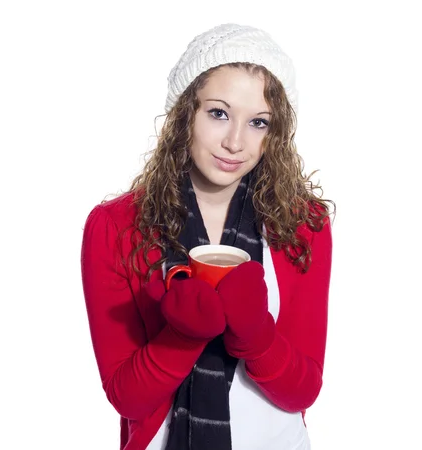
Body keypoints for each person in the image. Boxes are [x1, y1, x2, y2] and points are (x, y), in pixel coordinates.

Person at [81, 23, 334, 450]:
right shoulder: (115, 226)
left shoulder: (303, 226)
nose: (236, 142)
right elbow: (126, 395)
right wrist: (180, 337)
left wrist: (256, 335)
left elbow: (303, 390)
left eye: (258, 122)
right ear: (185, 113)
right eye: (219, 113)